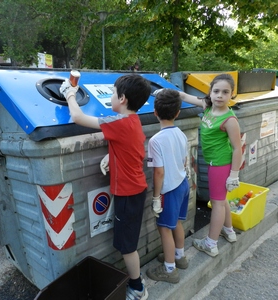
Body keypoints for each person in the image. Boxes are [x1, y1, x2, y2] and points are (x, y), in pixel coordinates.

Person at [60, 74, 151, 300]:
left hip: (128, 194)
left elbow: (77, 117)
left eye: (111, 94)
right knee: (126, 241)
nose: (109, 98)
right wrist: (111, 157)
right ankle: (136, 281)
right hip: (134, 190)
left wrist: (70, 93)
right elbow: (128, 146)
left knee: (127, 246)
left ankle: (138, 287)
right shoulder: (132, 121)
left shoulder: (118, 122)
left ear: (122, 98)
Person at [179, 73, 242, 257]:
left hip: (221, 165)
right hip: (214, 163)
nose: (220, 95)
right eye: (216, 91)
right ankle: (229, 231)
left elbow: (237, 149)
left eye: (225, 92)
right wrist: (165, 92)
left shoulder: (229, 120)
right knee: (221, 200)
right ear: (210, 92)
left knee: (217, 204)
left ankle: (210, 244)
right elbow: (184, 96)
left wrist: (234, 175)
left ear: (232, 95)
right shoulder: (208, 106)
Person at [145, 89, 190, 284]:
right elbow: (184, 161)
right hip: (183, 184)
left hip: (168, 190)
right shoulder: (181, 134)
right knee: (176, 223)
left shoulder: (156, 140)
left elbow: (159, 172)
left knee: (164, 228)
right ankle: (179, 257)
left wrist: (156, 197)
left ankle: (169, 269)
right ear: (178, 112)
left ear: (155, 112)